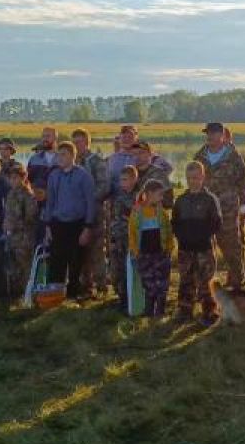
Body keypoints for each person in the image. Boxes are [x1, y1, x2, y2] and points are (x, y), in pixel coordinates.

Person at [193, 121, 245, 289]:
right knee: (204, 248)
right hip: (205, 210)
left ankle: (237, 284)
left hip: (228, 209)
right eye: (208, 133)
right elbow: (193, 181)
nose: (210, 136)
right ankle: (207, 288)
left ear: (222, 135)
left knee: (231, 247)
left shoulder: (234, 157)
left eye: (214, 133)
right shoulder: (200, 157)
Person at [43, 141, 97, 299]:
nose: (60, 158)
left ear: (73, 156)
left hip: (77, 224)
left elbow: (90, 203)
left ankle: (74, 292)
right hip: (58, 223)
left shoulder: (84, 176)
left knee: (76, 260)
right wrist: (48, 226)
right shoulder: (54, 176)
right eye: (58, 155)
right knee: (57, 259)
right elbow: (50, 202)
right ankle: (56, 292)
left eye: (64, 154)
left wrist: (87, 227)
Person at [172, 161, 223, 323]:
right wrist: (183, 237)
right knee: (186, 279)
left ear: (202, 177)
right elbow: (175, 222)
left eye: (195, 178)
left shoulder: (210, 199)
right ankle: (185, 309)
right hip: (185, 248)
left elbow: (217, 223)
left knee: (206, 280)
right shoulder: (181, 200)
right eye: (189, 178)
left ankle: (210, 311)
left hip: (204, 248)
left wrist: (202, 236)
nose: (192, 181)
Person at [73, 128, 110, 298]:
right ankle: (85, 286)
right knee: (80, 251)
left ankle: (102, 287)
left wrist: (88, 200)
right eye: (74, 142)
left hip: (95, 212)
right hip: (77, 215)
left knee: (97, 251)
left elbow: (104, 186)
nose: (76, 145)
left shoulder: (96, 161)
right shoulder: (72, 162)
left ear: (87, 143)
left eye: (79, 142)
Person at [129, 178, 174, 318]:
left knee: (162, 284)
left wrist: (169, 248)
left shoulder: (162, 212)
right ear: (149, 193)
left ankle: (160, 311)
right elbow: (132, 233)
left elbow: (168, 230)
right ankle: (148, 310)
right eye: (159, 194)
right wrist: (135, 251)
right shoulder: (137, 212)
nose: (162, 198)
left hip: (161, 255)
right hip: (144, 256)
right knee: (148, 283)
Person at [3, 164, 39, 296]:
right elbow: (8, 213)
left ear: (23, 178)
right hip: (11, 237)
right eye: (10, 178)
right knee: (14, 265)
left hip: (25, 238)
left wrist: (14, 225)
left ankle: (28, 294)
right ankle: (16, 293)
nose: (12, 180)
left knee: (25, 266)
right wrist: (6, 224)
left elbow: (31, 218)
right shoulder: (10, 194)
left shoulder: (28, 195)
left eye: (15, 178)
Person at [109, 165, 140, 310]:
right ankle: (121, 297)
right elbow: (113, 218)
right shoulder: (118, 196)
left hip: (132, 240)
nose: (122, 183)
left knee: (131, 270)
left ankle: (132, 299)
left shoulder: (140, 197)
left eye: (125, 179)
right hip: (118, 238)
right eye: (121, 180)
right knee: (117, 270)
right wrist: (112, 239)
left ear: (134, 179)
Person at [130, 141, 175, 208]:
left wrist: (148, 202)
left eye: (141, 153)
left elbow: (169, 202)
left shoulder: (159, 174)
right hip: (133, 213)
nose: (137, 156)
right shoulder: (130, 174)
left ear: (149, 154)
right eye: (134, 154)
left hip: (153, 213)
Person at [106, 124, 139, 198]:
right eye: (124, 137)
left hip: (136, 200)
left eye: (130, 137)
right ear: (119, 138)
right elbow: (107, 182)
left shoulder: (141, 157)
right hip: (115, 200)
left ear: (136, 139)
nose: (126, 139)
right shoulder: (112, 158)